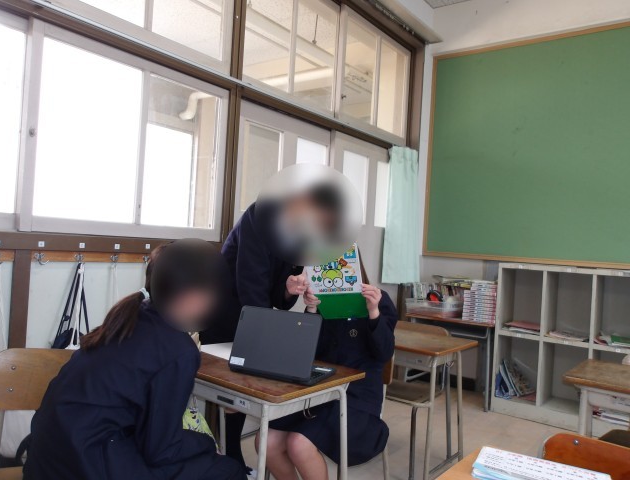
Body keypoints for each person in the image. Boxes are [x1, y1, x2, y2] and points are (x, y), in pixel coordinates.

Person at [23, 239, 245, 480]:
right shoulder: (178, 350)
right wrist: (205, 443)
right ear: (194, 298)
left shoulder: (129, 317)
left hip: (46, 459)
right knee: (228, 470)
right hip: (85, 461)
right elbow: (161, 450)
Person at [200, 182, 347, 476]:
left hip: (256, 314)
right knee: (228, 394)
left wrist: (289, 289)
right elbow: (250, 283)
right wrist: (267, 334)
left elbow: (282, 292)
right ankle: (226, 460)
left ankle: (229, 460)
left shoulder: (302, 234)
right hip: (226, 311)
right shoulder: (260, 215)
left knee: (240, 394)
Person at [260, 262, 397, 480]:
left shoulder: (380, 299)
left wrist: (373, 312)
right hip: (319, 393)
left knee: (298, 444)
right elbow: (305, 351)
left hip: (357, 400)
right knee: (266, 442)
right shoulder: (323, 301)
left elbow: (384, 352)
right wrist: (312, 310)